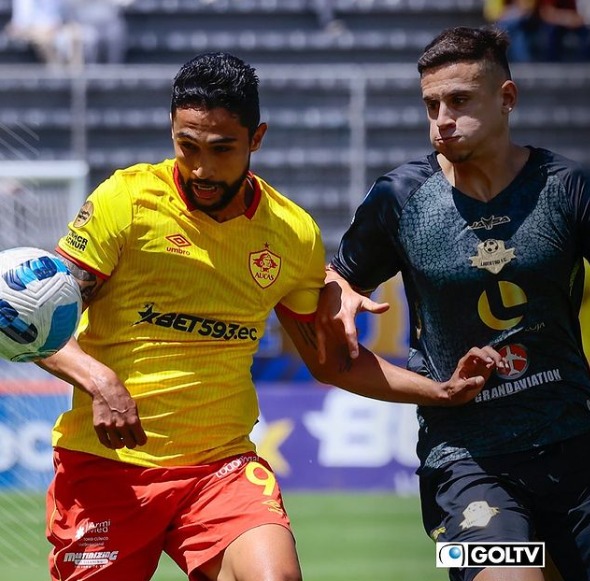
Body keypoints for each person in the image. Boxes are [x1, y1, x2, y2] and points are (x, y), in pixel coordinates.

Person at [37, 52, 502, 581]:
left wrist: (437, 390)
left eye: (222, 149)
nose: (202, 168)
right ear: (171, 130)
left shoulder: (290, 234)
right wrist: (99, 380)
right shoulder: (126, 201)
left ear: (256, 138)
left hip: (219, 469)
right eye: (187, 146)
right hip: (106, 469)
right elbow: (36, 321)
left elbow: (332, 363)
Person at [316, 25, 590, 581]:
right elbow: (338, 277)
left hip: (574, 441)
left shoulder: (567, 186)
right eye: (431, 104)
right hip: (461, 461)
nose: (442, 118)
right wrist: (338, 293)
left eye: (460, 101)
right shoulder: (400, 196)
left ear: (506, 99)